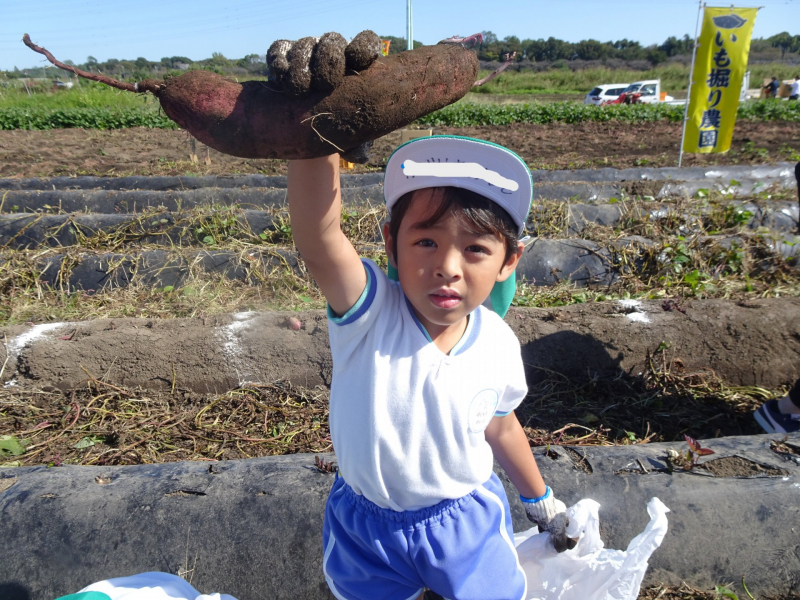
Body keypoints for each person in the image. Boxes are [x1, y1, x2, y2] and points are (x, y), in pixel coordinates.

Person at [288, 136, 571, 600]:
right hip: (367, 528)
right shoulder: (371, 314)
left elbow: (501, 427)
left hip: (465, 523)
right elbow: (319, 239)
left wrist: (540, 500)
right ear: (391, 245)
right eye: (425, 241)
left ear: (510, 260)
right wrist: (317, 132)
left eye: (476, 248)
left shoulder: (497, 344)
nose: (447, 266)